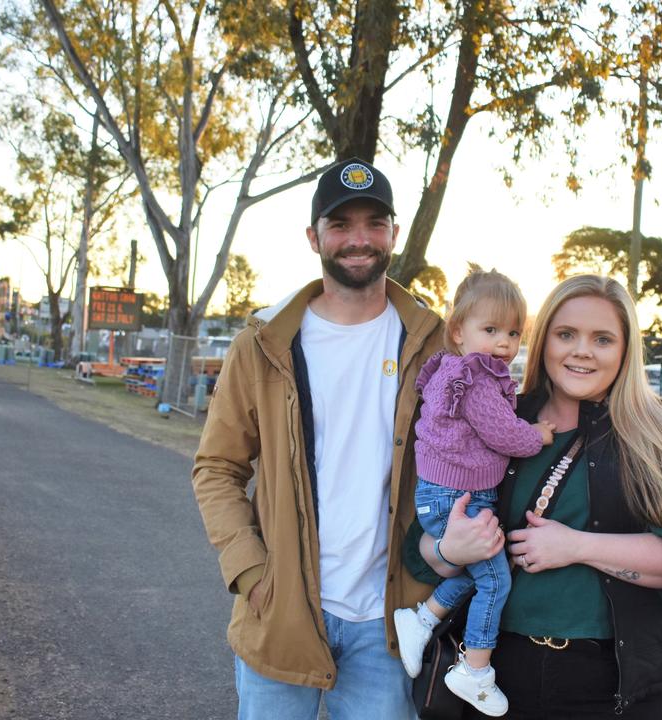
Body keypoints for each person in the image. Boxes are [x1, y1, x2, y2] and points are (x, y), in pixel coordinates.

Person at [408, 274, 662, 719]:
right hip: (494, 679)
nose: (581, 350)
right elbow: (420, 548)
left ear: (625, 349)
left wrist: (577, 546)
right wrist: (449, 548)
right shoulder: (497, 420)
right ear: (543, 342)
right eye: (565, 335)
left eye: (602, 338)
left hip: (611, 686)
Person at [191, 157, 445, 720]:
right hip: (282, 612)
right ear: (314, 237)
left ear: (394, 234)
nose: (359, 239)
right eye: (341, 224)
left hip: (388, 625)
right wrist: (252, 570)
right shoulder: (261, 345)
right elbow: (217, 467)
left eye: (374, 223)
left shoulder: (435, 345)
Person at [393, 269, 554, 717]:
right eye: (491, 330)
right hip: (455, 496)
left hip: (447, 492)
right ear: (458, 331)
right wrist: (537, 435)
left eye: (513, 332)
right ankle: (475, 669)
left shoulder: (459, 370)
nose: (504, 342)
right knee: (497, 580)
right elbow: (504, 433)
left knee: (479, 573)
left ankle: (421, 619)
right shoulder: (477, 379)